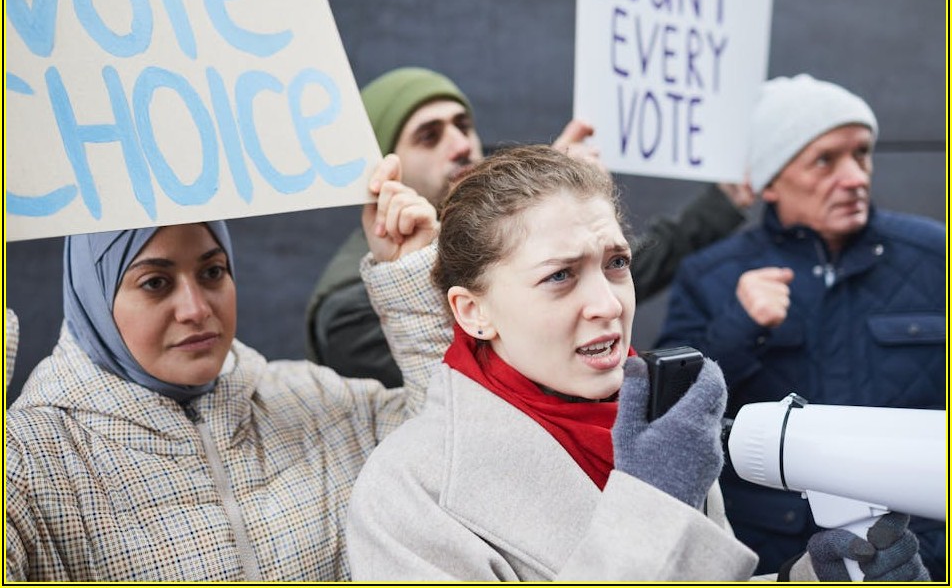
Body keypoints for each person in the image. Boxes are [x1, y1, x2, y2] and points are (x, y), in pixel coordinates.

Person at [344, 145, 929, 581]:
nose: (608, 304)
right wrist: (657, 503)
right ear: (473, 312)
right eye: (560, 275)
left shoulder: (649, 425)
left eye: (616, 263)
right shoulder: (408, 491)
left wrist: (810, 578)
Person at [4, 157, 442, 582]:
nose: (195, 309)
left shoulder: (317, 400)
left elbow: (448, 457)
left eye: (212, 272)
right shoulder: (27, 460)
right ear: (94, 299)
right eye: (155, 283)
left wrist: (411, 281)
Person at [655, 74, 945, 579]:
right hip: (780, 559)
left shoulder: (935, 255)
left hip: (922, 554)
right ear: (770, 181)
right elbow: (670, 415)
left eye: (862, 153)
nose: (854, 177)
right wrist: (740, 328)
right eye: (824, 160)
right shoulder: (710, 274)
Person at [305, 66, 754, 387]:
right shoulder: (348, 310)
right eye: (430, 136)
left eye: (464, 125)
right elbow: (452, 391)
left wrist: (556, 200)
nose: (462, 145)